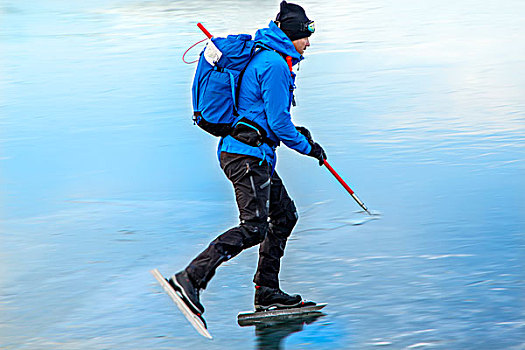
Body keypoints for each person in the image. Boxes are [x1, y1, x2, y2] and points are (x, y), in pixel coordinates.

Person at [170, 1, 327, 316]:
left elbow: (262, 114)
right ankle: (190, 278)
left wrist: (300, 132)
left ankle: (267, 291)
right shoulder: (275, 66)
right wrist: (309, 148)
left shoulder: (266, 57)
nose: (309, 42)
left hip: (250, 153)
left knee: (284, 216)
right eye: (306, 34)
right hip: (247, 157)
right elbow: (280, 125)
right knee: (254, 226)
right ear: (292, 34)